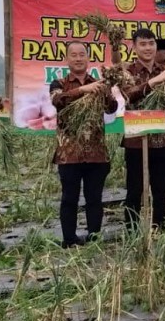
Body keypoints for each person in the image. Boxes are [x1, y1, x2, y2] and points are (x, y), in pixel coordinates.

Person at [120, 28, 165, 230]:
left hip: (163, 139)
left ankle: (159, 228)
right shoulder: (128, 72)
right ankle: (132, 232)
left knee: (160, 190)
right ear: (134, 47)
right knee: (135, 190)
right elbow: (129, 95)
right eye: (142, 44)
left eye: (151, 43)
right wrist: (154, 82)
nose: (148, 48)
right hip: (136, 138)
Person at [50, 42, 118, 247]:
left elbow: (111, 108)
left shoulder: (98, 83)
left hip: (96, 153)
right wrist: (83, 89)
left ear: (88, 58)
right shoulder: (58, 83)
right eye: (74, 55)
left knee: (94, 198)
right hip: (69, 154)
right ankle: (69, 239)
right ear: (67, 59)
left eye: (82, 55)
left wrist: (106, 90)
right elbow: (58, 101)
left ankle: (94, 236)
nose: (78, 58)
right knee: (69, 198)